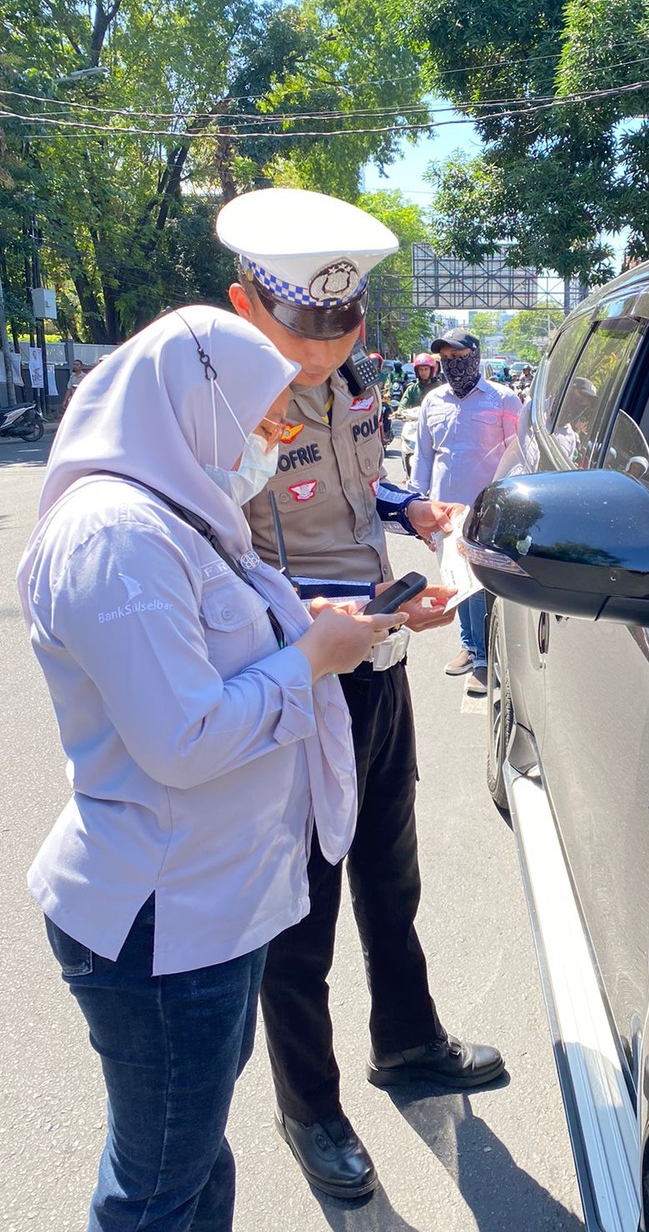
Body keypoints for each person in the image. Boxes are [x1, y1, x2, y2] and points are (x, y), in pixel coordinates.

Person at [16, 304, 404, 1231]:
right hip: (162, 925)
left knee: (189, 1159)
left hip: (208, 910)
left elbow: (221, 643)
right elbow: (182, 737)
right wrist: (313, 660)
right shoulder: (117, 537)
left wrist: (324, 628)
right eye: (262, 418)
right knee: (156, 1186)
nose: (271, 439)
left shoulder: (178, 515)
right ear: (200, 403)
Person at [215, 187, 505, 1202]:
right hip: (294, 675)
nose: (325, 353)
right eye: (306, 331)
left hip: (376, 656)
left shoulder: (351, 381)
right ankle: (310, 1107)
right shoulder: (223, 414)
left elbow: (358, 481)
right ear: (247, 306)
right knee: (300, 906)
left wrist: (410, 504)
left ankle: (408, 1038)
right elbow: (215, 565)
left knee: (392, 867)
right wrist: (340, 611)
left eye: (343, 328)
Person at [413, 327, 522, 694]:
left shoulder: (503, 400)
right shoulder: (433, 402)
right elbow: (424, 457)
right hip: (444, 512)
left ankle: (485, 659)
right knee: (457, 581)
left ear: (475, 356)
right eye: (446, 360)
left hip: (489, 511)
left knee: (481, 583)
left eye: (459, 358)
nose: (452, 366)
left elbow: (519, 456)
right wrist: (418, 507)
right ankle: (470, 646)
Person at [396, 350, 443, 416]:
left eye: (426, 369)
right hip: (414, 422)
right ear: (417, 371)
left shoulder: (440, 388)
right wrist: (399, 411)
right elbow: (403, 405)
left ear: (431, 370)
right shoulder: (412, 389)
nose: (423, 372)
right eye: (421, 369)